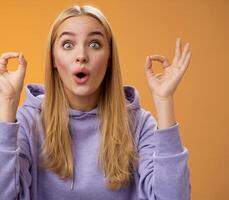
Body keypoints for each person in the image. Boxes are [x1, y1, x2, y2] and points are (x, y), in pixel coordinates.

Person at [0, 5, 191, 200]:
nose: (81, 55)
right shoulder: (27, 122)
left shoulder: (139, 124)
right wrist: (7, 104)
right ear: (54, 60)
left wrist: (164, 100)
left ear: (109, 59)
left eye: (94, 44)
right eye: (67, 45)